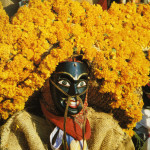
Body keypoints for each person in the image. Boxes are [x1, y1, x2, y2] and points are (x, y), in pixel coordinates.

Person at [0, 55, 135, 150]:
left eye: (81, 83)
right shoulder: (23, 127)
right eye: (64, 82)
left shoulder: (105, 128)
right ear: (46, 85)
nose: (74, 92)